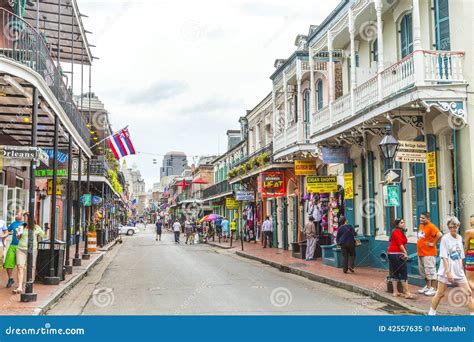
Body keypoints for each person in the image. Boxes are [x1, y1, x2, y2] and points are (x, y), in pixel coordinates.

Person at [429, 217, 473, 315]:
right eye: (450, 227)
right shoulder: (445, 238)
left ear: (458, 226)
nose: (452, 229)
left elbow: (461, 255)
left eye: (454, 227)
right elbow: (444, 257)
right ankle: (431, 314)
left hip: (458, 271)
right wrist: (448, 272)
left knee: (468, 293)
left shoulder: (460, 238)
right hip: (446, 271)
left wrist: (462, 269)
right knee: (440, 294)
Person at [14, 215, 46, 294]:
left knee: (31, 266)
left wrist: (46, 229)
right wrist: (19, 234)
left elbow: (44, 235)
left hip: (32, 250)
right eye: (24, 219)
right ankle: (20, 287)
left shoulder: (36, 227)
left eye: (26, 219)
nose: (25, 220)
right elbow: (18, 238)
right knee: (20, 267)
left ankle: (29, 283)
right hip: (21, 249)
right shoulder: (21, 227)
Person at [388, 218, 416, 299]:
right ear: (397, 224)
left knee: (395, 272)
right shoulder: (397, 232)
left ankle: (395, 291)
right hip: (397, 254)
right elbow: (400, 244)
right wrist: (405, 253)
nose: (403, 224)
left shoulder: (398, 232)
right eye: (401, 223)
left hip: (392, 254)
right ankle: (407, 292)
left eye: (403, 222)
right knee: (403, 272)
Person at [417, 212, 442, 296]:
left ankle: (434, 288)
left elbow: (439, 234)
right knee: (424, 271)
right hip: (421, 252)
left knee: (431, 270)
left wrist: (433, 243)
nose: (421, 219)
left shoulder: (431, 226)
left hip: (429, 253)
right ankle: (428, 286)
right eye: (420, 217)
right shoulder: (421, 226)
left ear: (428, 219)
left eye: (423, 218)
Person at [4, 210, 24, 288]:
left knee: (20, 266)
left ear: (21, 216)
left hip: (21, 247)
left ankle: (20, 283)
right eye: (16, 214)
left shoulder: (24, 224)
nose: (16, 216)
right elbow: (7, 231)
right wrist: (3, 237)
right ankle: (10, 279)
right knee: (8, 264)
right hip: (12, 246)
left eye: (18, 214)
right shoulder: (13, 224)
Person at [464, 215, 474, 294]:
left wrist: (462, 259)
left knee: (470, 280)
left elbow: (466, 247)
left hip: (471, 257)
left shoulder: (469, 232)